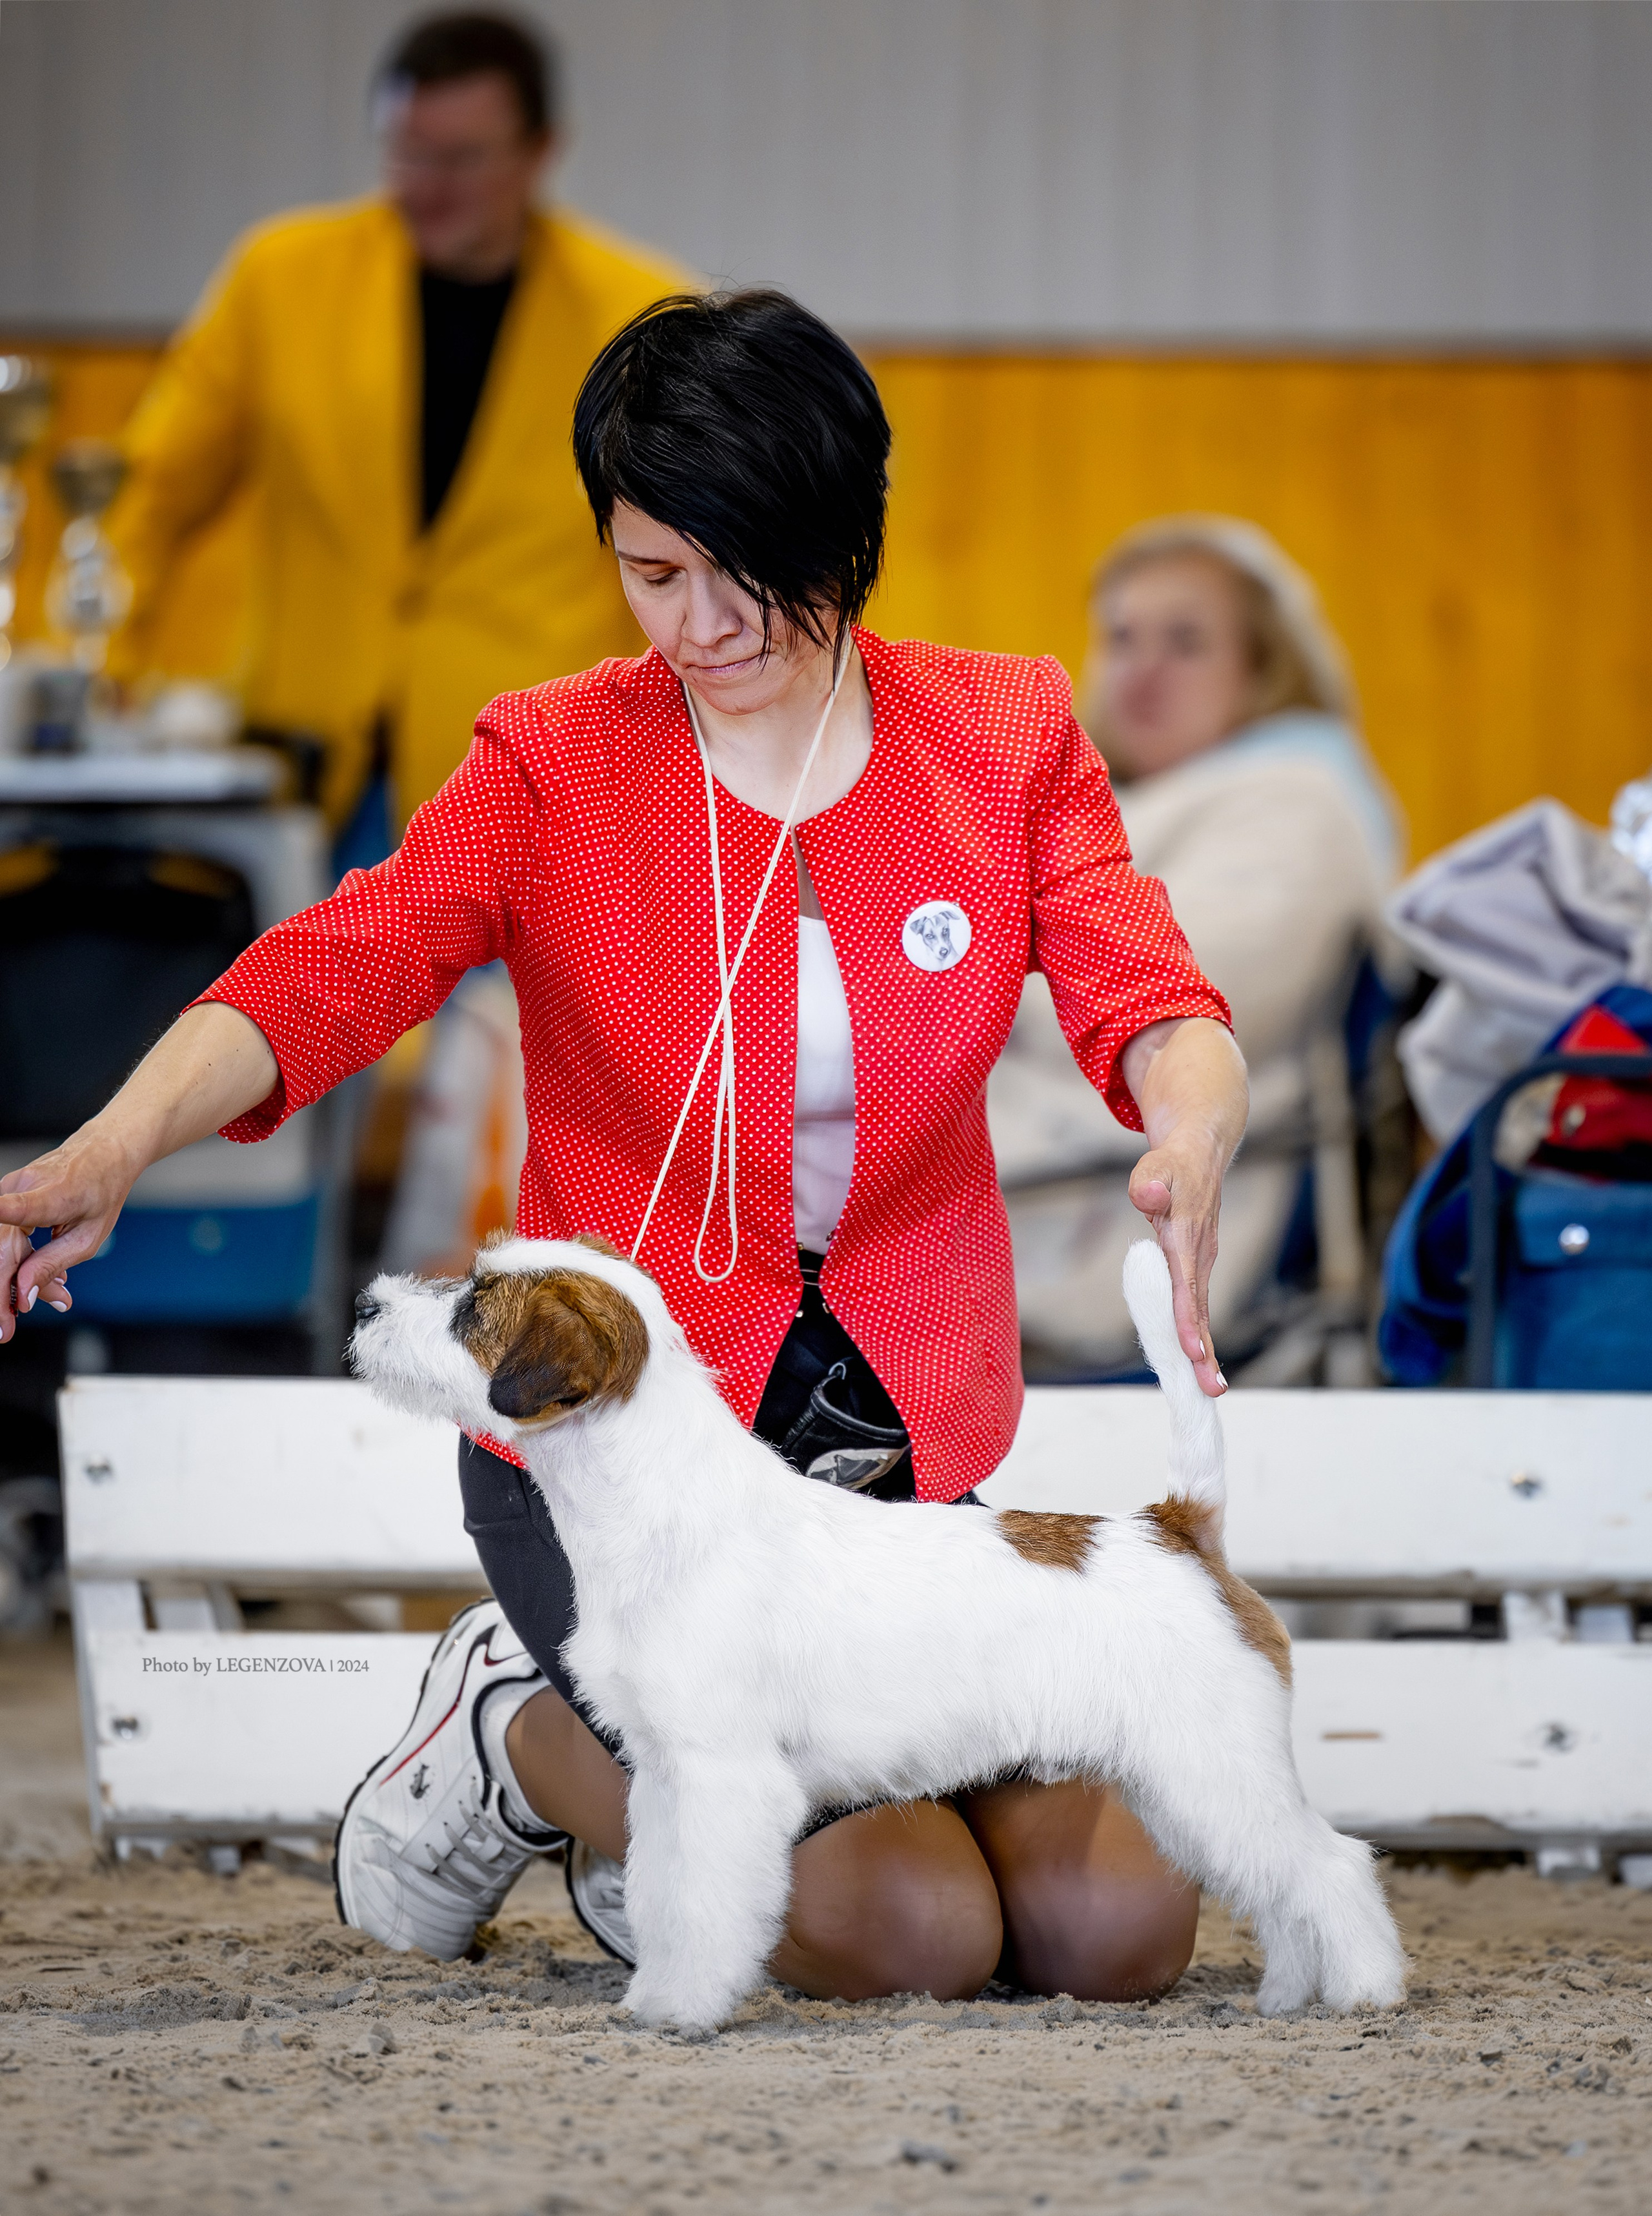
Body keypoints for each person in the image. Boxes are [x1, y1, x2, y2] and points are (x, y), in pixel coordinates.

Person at [2, 294, 1245, 2008]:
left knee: (1115, 1939)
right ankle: (515, 1738)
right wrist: (111, 1144)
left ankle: (667, 1820)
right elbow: (335, 969)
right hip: (622, 1455)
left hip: (905, 1441)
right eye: (655, 573)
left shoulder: (1005, 733)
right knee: (913, 1938)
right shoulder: (554, 756)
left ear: (844, 533)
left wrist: (1189, 1121)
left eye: (749, 572)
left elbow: (1148, 986)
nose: (705, 623)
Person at [105, 10, 687, 842]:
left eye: (461, 158)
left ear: (541, 151)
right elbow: (148, 495)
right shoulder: (279, 280)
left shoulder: (638, 318)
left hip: (529, 793)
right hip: (307, 776)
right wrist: (104, 669)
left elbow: (691, 560)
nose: (426, 184)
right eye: (406, 152)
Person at [989, 516, 1402, 1376]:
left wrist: (933, 976)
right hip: (1029, 1190)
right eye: (1122, 636)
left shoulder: (1296, 799)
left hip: (1104, 1207)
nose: (1141, 668)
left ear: (1262, 667)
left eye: (1185, 641)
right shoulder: (1111, 797)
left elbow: (1175, 1005)